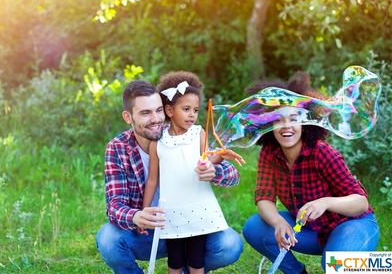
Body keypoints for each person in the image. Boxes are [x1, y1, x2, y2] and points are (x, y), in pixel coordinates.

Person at [96, 79, 244, 274]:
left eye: (158, 110)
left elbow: (233, 175)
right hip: (148, 232)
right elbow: (114, 206)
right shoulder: (118, 148)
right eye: (145, 113)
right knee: (108, 239)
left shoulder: (184, 134)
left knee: (229, 243)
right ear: (128, 117)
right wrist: (137, 216)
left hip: (189, 222)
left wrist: (213, 171)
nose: (156, 119)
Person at [242, 72, 380, 274]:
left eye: (293, 118)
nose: (286, 126)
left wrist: (325, 202)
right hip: (311, 231)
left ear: (305, 122)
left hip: (351, 225)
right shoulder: (270, 153)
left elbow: (361, 203)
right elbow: (264, 196)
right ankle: (297, 272)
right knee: (254, 227)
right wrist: (279, 222)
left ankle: (373, 263)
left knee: (335, 264)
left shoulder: (323, 153)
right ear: (268, 124)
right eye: (278, 120)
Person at [141, 71, 245, 274]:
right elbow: (152, 180)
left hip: (198, 210)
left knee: (197, 261)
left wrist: (222, 155)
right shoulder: (158, 142)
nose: (192, 115)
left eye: (196, 110)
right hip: (171, 212)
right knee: (175, 262)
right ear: (169, 110)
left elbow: (207, 158)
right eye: (186, 109)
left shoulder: (199, 133)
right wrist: (145, 211)